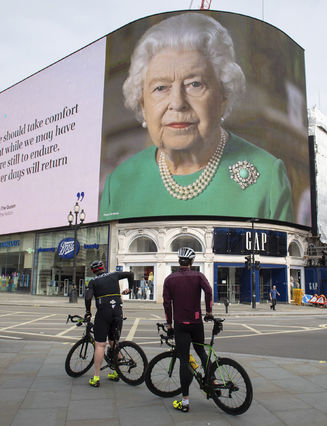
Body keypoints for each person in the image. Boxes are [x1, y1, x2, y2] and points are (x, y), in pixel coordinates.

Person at [99, 12, 294, 223]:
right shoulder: (118, 184)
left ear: (223, 96)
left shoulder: (267, 177)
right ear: (143, 105)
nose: (177, 102)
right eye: (160, 87)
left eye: (195, 84)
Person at [163, 247, 213, 413]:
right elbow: (209, 291)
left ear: (179, 261)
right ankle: (211, 381)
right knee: (201, 351)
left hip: (180, 324)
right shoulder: (198, 276)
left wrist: (169, 324)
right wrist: (208, 312)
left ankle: (185, 402)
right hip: (196, 322)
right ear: (192, 262)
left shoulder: (170, 279)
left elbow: (166, 303)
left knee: (184, 360)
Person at [84, 260, 133, 388]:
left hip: (104, 313)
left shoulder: (93, 282)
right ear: (103, 268)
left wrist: (88, 311)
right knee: (113, 342)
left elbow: (88, 297)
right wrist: (130, 288)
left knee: (100, 344)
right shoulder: (114, 275)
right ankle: (116, 372)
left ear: (93, 271)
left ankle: (96, 378)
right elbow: (130, 274)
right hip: (117, 312)